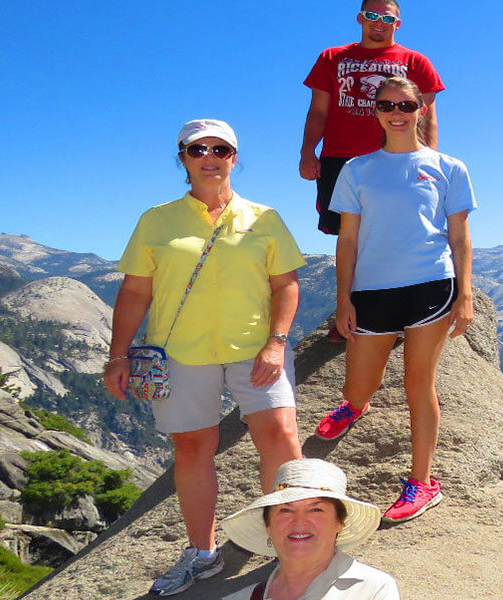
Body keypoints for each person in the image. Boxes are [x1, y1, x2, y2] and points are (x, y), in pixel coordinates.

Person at [104, 119, 306, 596]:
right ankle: (203, 553)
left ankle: (296, 543)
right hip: (181, 353)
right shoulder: (157, 220)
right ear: (183, 158)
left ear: (235, 158)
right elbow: (135, 291)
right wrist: (118, 355)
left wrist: (277, 340)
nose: (210, 157)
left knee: (279, 436)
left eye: (221, 149)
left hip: (255, 347)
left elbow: (286, 284)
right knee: (193, 448)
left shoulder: (264, 217)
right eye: (198, 150)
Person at [314, 76, 475, 524]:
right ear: (376, 112)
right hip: (372, 290)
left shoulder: (449, 167)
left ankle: (422, 483)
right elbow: (347, 240)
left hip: (430, 285)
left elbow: (460, 236)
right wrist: (342, 299)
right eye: (386, 105)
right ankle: (356, 405)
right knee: (357, 387)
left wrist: (464, 294)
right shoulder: (358, 169)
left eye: (406, 103)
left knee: (418, 385)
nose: (396, 111)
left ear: (421, 107)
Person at [300, 0, 445, 237]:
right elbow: (318, 111)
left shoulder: (417, 62)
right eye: (372, 16)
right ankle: (349, 277)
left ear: (397, 24)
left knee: (399, 231)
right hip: (340, 160)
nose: (380, 23)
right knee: (346, 233)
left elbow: (427, 117)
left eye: (387, 18)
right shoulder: (331, 57)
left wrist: (429, 161)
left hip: (397, 159)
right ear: (360, 18)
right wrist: (307, 152)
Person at [221, 459, 396, 600]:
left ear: (340, 522)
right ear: (268, 525)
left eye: (316, 510)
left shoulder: (372, 589)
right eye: (285, 510)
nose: (299, 522)